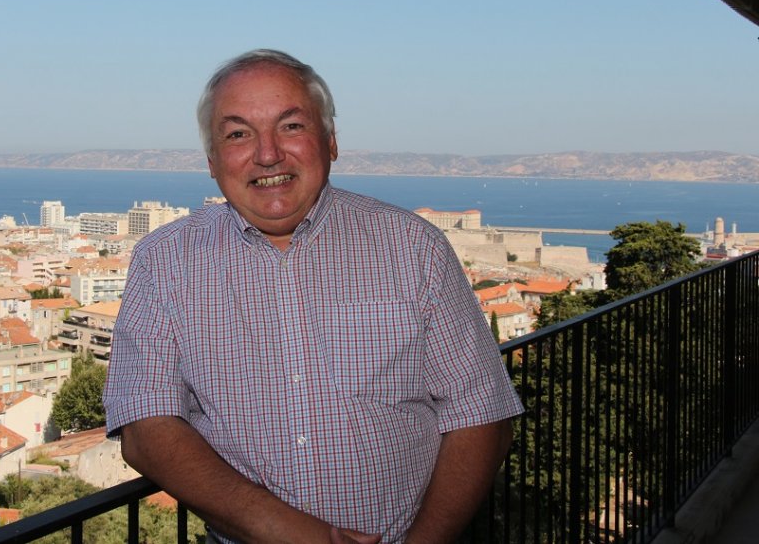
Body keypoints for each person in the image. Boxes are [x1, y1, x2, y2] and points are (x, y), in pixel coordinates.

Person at [103, 49, 524, 543]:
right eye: (238, 133)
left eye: (291, 126)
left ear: (330, 141)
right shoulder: (164, 260)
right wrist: (292, 534)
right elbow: (145, 427)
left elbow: (481, 413)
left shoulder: (412, 248)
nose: (267, 154)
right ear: (213, 161)